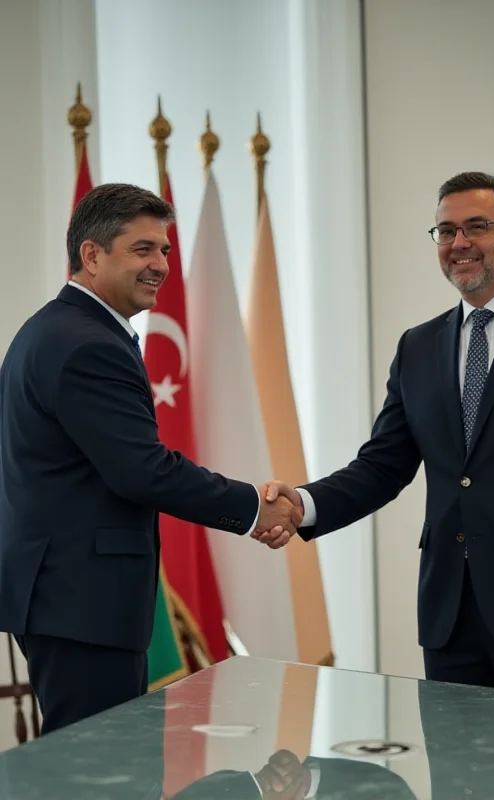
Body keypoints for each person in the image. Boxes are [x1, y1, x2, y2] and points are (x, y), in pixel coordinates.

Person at [255, 171, 494, 698]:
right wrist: (303, 503)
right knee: (457, 777)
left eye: (476, 227)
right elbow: (383, 466)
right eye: (445, 231)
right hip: (448, 618)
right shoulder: (418, 346)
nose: (459, 243)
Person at [0, 183, 300, 734]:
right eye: (143, 250)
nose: (161, 265)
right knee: (99, 769)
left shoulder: (55, 330)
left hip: (67, 596)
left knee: (92, 763)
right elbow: (143, 469)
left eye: (163, 250)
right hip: (82, 600)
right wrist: (253, 507)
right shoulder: (86, 343)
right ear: (91, 255)